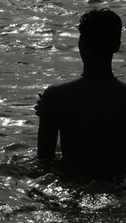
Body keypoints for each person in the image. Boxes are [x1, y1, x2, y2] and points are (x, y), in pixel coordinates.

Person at [36, 9, 126, 180]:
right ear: (116, 45)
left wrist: (49, 114)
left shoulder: (56, 97)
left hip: (73, 188)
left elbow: (44, 164)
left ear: (81, 43)